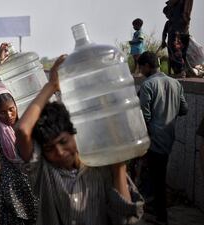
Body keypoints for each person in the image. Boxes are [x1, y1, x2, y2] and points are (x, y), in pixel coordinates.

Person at [14, 55, 144, 225]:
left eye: (63, 142)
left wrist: (118, 165)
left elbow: (126, 219)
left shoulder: (101, 164)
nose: (59, 152)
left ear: (76, 134)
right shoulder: (44, 171)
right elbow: (23, 130)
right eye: (49, 148)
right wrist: (52, 85)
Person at [0, 43, 37, 224]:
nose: (9, 115)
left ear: (17, 106)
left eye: (12, 110)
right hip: (10, 190)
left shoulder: (25, 123)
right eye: (3, 113)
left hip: (33, 187)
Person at [138, 51, 188, 224]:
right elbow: (184, 109)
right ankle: (154, 210)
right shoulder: (175, 83)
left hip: (153, 140)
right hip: (168, 137)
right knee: (156, 176)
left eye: (140, 67)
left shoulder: (147, 85)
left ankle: (161, 217)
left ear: (146, 66)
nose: (140, 71)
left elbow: (144, 117)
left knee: (156, 179)